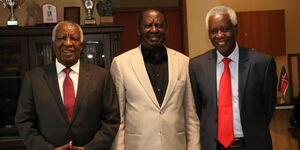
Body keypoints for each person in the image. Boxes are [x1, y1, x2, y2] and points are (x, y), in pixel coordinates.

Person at [15, 21, 120, 150]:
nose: (68, 43)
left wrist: (91, 148)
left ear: (81, 45)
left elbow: (111, 120)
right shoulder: (33, 79)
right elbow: (24, 122)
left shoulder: (101, 77)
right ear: (53, 44)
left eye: (74, 38)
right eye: (62, 38)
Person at [189, 6, 278, 150]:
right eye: (213, 31)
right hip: (214, 146)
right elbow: (200, 108)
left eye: (225, 29)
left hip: (252, 144)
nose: (219, 35)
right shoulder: (196, 66)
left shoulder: (262, 63)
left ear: (236, 29)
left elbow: (268, 107)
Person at [110, 9, 200, 150]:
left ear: (167, 29)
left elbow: (191, 115)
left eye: (159, 25)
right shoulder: (121, 64)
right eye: (148, 26)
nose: (154, 30)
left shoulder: (184, 62)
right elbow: (118, 118)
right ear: (139, 30)